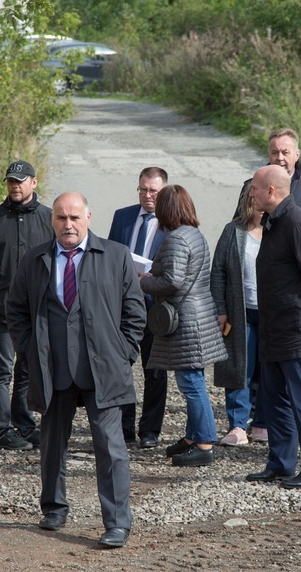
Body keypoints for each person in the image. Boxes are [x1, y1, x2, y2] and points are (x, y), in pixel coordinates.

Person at [5, 192, 145, 549]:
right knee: (52, 443)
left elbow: (135, 313)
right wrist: (29, 350)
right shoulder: (35, 259)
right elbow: (16, 308)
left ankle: (116, 523)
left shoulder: (114, 256)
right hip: (53, 368)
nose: (68, 225)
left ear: (88, 218)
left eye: (74, 218)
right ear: (52, 220)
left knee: (111, 447)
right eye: (61, 218)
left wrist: (122, 353)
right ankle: (53, 508)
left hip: (103, 370)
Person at [244, 165, 301, 488]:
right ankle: (281, 463)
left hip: (298, 331)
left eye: (254, 187)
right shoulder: (273, 222)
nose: (250, 192)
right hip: (274, 329)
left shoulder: (297, 222)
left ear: (271, 191)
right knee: (275, 399)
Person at [139, 185, 228, 467]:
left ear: (167, 210)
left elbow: (172, 281)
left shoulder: (176, 238)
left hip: (186, 320)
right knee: (194, 378)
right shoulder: (196, 235)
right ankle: (192, 437)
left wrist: (144, 280)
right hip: (199, 314)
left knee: (191, 383)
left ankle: (203, 444)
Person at [0, 160, 52, 451]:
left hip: (34, 310)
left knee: (28, 370)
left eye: (20, 180)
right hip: (0, 308)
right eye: (10, 181)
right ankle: (3, 430)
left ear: (34, 182)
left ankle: (25, 426)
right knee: (2, 371)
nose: (15, 186)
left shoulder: (47, 218)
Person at [108, 167, 170, 450]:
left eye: (153, 191)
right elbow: (109, 257)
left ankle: (150, 430)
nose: (147, 196)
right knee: (120, 367)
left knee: (155, 371)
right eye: (143, 189)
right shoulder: (123, 216)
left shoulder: (172, 221)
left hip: (156, 308)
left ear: (164, 191)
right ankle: (123, 427)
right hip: (124, 306)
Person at [210, 190, 267, 446]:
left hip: (270, 313)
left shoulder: (279, 231)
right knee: (238, 369)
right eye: (258, 201)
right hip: (239, 311)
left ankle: (263, 423)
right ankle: (237, 425)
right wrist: (220, 309)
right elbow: (218, 271)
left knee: (268, 369)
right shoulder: (233, 231)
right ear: (248, 202)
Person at [235, 129, 301, 222]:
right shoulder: (251, 187)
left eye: (285, 152)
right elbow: (238, 226)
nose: (280, 158)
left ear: (297, 155)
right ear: (269, 155)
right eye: (275, 152)